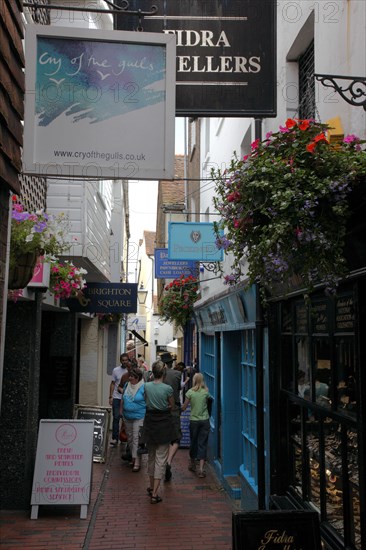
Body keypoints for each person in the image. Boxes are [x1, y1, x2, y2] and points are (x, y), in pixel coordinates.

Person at [140, 360, 177, 504]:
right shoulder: (167, 389)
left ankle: (150, 487)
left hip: (149, 422)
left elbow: (145, 400)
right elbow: (171, 405)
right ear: (164, 373)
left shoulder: (146, 386)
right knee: (161, 459)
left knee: (151, 456)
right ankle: (155, 493)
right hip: (163, 423)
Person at [182, 372, 211, 478]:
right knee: (202, 443)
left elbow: (184, 407)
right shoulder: (206, 392)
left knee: (193, 442)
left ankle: (193, 463)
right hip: (205, 420)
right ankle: (201, 469)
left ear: (194, 380)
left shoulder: (190, 392)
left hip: (194, 421)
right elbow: (207, 404)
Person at [118, 366, 146, 472]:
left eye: (132, 377)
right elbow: (123, 398)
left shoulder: (143, 387)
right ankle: (134, 457)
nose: (130, 378)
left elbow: (147, 401)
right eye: (130, 376)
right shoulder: (126, 385)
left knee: (136, 439)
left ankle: (136, 462)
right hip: (127, 416)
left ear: (138, 378)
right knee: (129, 439)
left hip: (139, 416)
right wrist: (121, 410)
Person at [160, 351, 182, 482]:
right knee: (176, 438)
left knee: (163, 439)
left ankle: (162, 462)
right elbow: (178, 390)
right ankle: (168, 462)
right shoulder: (178, 374)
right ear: (171, 363)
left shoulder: (156, 375)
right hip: (174, 409)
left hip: (160, 410)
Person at [109, 353, 130, 446]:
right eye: (123, 360)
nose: (125, 362)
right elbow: (113, 383)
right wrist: (110, 396)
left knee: (126, 419)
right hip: (117, 397)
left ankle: (124, 437)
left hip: (127, 398)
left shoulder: (130, 371)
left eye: (126, 360)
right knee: (116, 417)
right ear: (120, 361)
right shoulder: (116, 370)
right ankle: (115, 438)